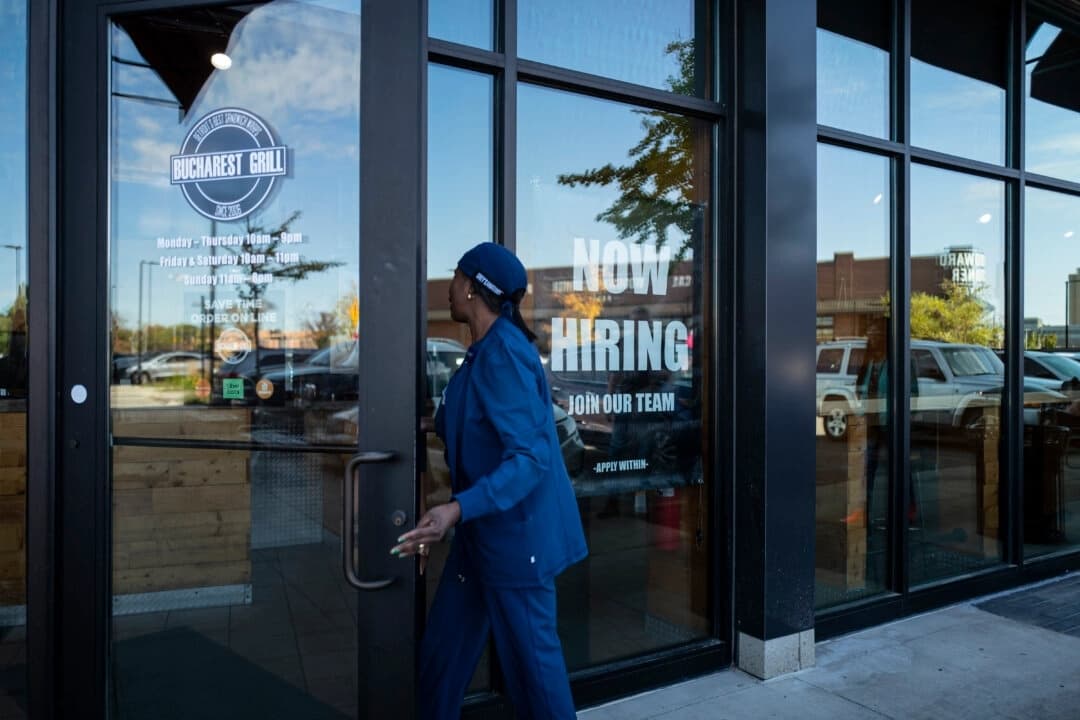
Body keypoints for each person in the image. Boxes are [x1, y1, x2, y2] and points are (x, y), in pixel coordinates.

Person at [392, 242, 588, 719]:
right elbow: (470, 420)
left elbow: (530, 459)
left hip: (517, 544)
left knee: (536, 682)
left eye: (457, 277)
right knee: (441, 661)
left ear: (473, 289)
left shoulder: (504, 354)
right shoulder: (480, 353)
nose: (450, 287)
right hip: (480, 539)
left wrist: (455, 509)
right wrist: (422, 425)